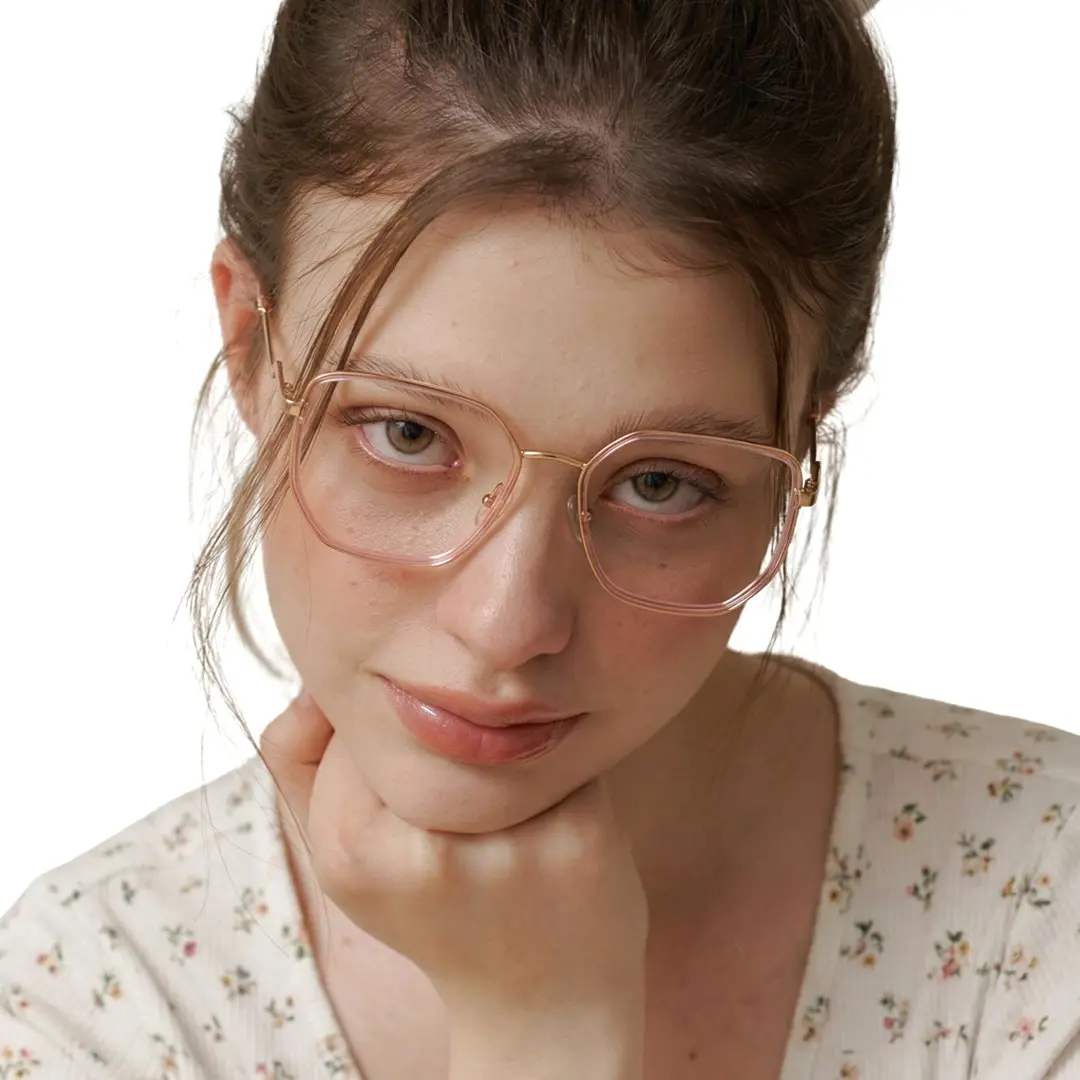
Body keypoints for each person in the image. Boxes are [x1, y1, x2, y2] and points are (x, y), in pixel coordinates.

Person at [2, 0, 1079, 1077]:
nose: (507, 625)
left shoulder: (1043, 910)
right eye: (409, 433)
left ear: (798, 459)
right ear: (248, 344)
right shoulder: (93, 1006)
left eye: (660, 483)